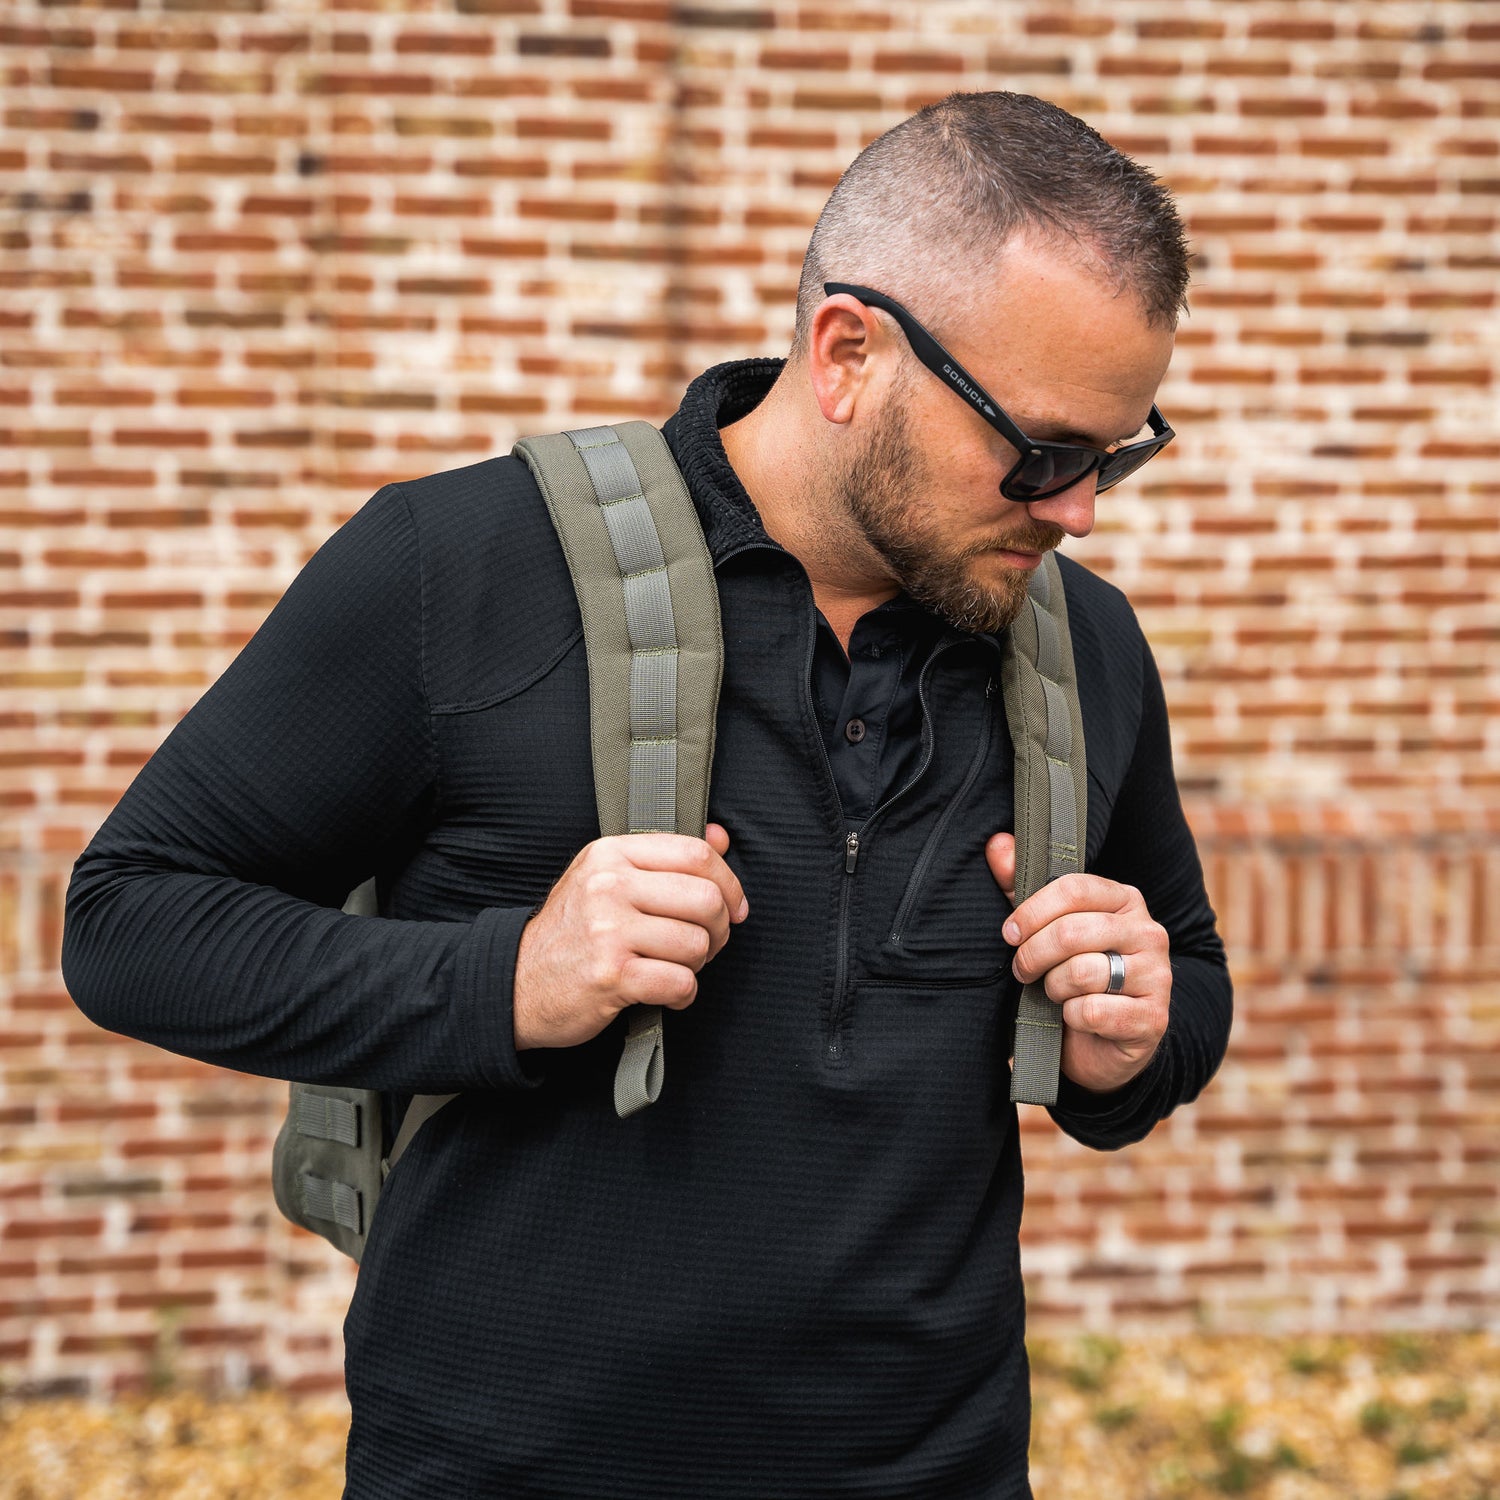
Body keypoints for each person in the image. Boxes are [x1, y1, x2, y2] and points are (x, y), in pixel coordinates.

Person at [63, 91, 1231, 1499]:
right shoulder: (461, 565)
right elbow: (129, 923)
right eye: (1042, 452)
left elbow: (1189, 973)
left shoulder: (1083, 644)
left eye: (1118, 455)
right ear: (847, 354)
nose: (1079, 510)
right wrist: (512, 979)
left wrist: (1132, 1041)